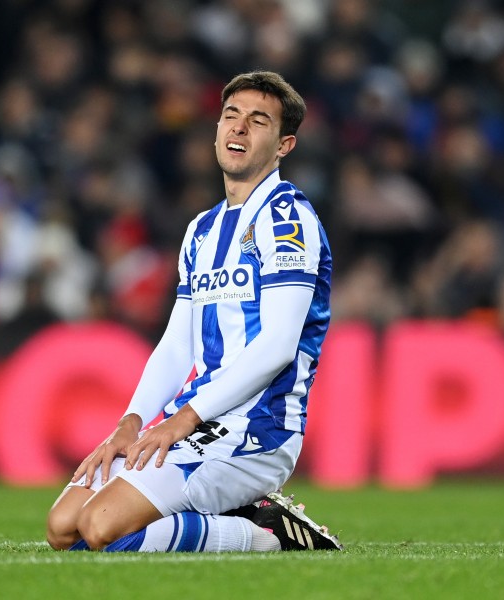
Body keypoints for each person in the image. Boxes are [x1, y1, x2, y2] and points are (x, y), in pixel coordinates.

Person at [46, 71, 340, 553]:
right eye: (231, 116)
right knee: (64, 529)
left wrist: (182, 420)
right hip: (193, 418)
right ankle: (235, 510)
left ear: (284, 145)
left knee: (102, 531)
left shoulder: (289, 221)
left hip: (256, 429)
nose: (239, 129)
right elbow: (177, 344)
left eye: (258, 121)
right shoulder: (202, 230)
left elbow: (277, 347)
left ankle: (266, 536)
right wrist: (132, 422)